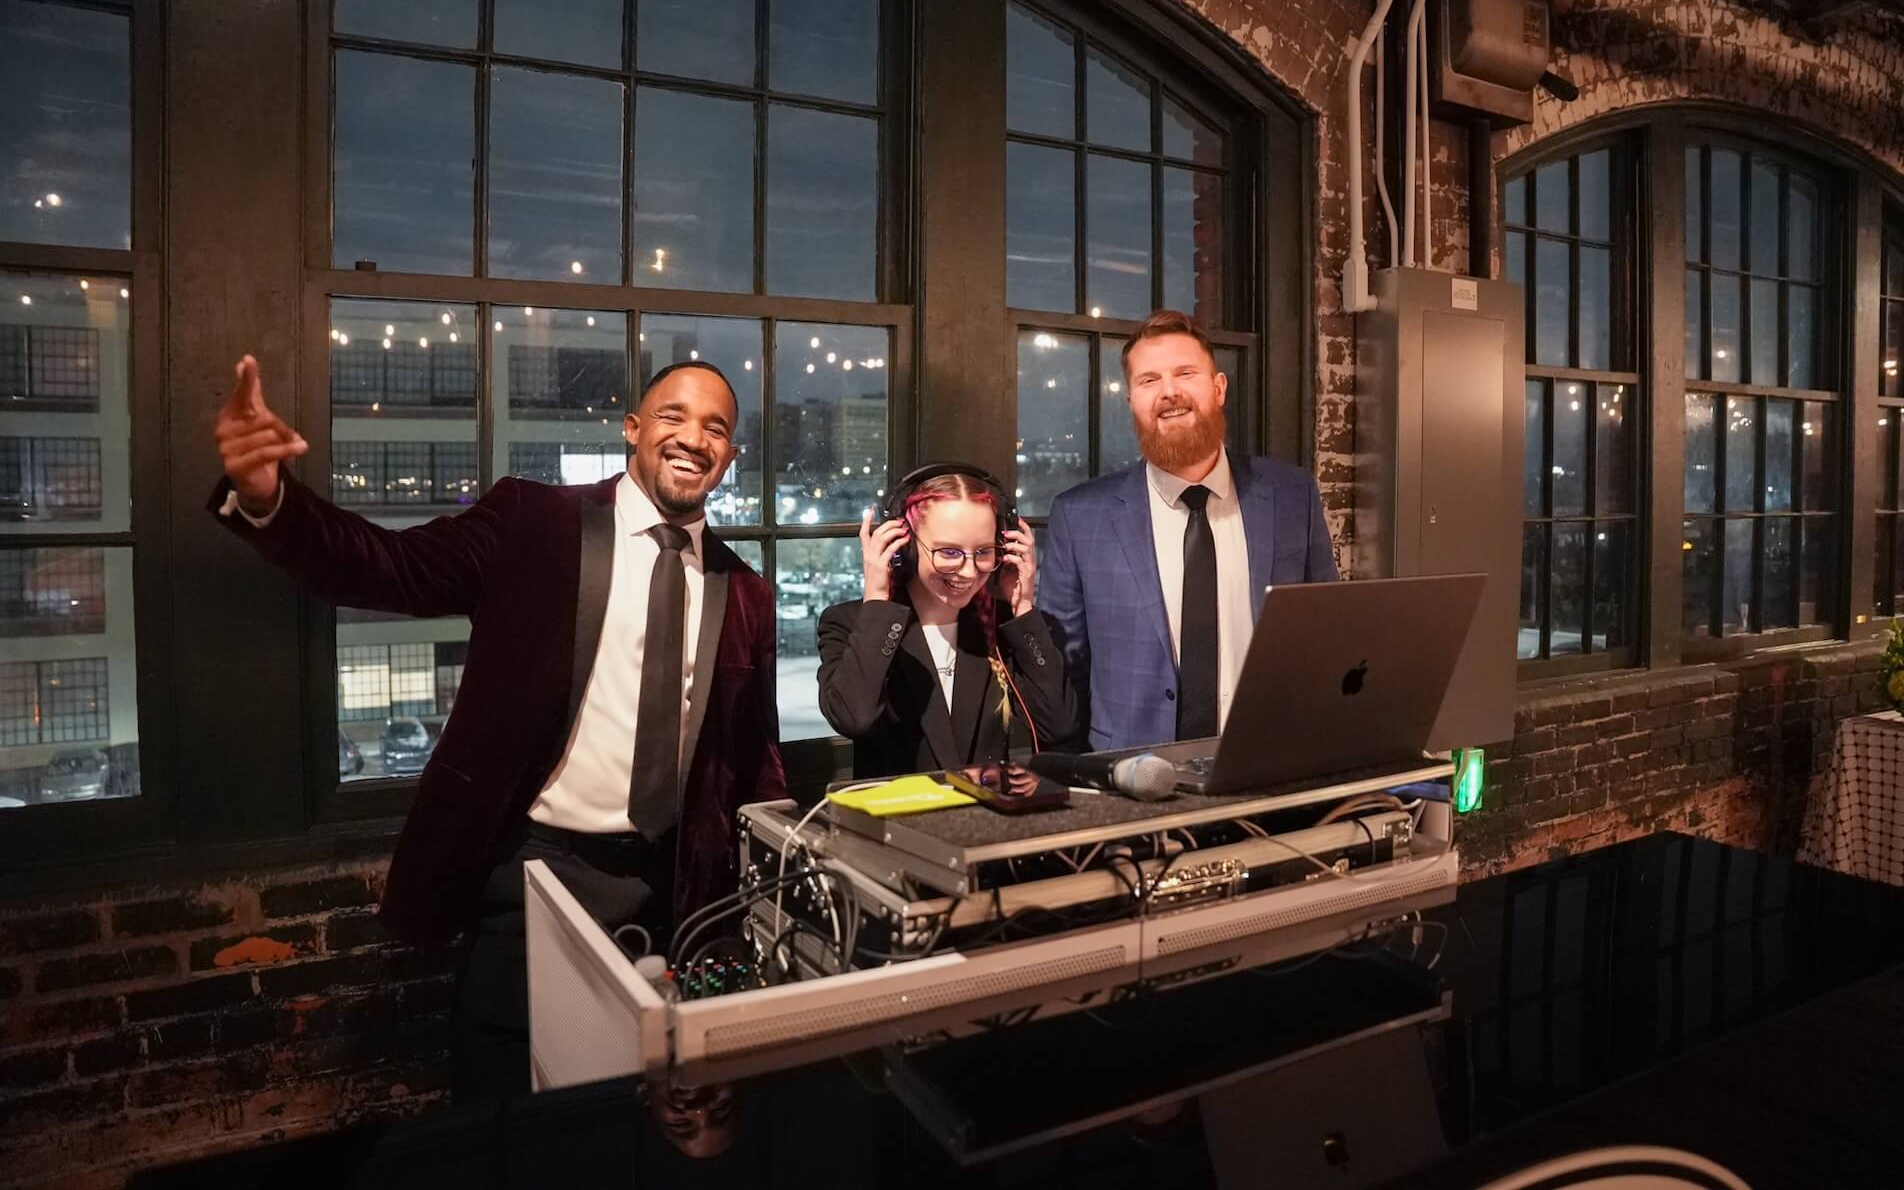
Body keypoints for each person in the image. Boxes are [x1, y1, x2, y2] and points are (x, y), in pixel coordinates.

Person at [209, 354, 785, 1099]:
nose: (693, 438)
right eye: (673, 416)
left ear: (730, 455)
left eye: (716, 428)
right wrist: (271, 499)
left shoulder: (746, 592)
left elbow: (754, 758)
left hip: (671, 894)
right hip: (533, 877)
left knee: (632, 1113)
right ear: (632, 428)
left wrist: (763, 900)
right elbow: (392, 567)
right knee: (502, 1108)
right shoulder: (533, 522)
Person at [1037, 310, 1337, 752]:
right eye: (1149, 380)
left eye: (1185, 373)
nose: (1169, 391)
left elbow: (1323, 635)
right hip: (1132, 774)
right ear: (1131, 402)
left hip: (1268, 762)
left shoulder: (1292, 496)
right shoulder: (1080, 516)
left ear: (1219, 388)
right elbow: (1067, 671)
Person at [816, 466, 1082, 777]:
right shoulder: (851, 623)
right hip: (898, 809)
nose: (969, 571)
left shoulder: (1002, 627)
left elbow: (1058, 725)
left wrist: (1022, 608)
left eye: (983, 551)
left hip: (983, 808)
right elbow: (854, 718)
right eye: (949, 552)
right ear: (904, 547)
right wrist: (876, 597)